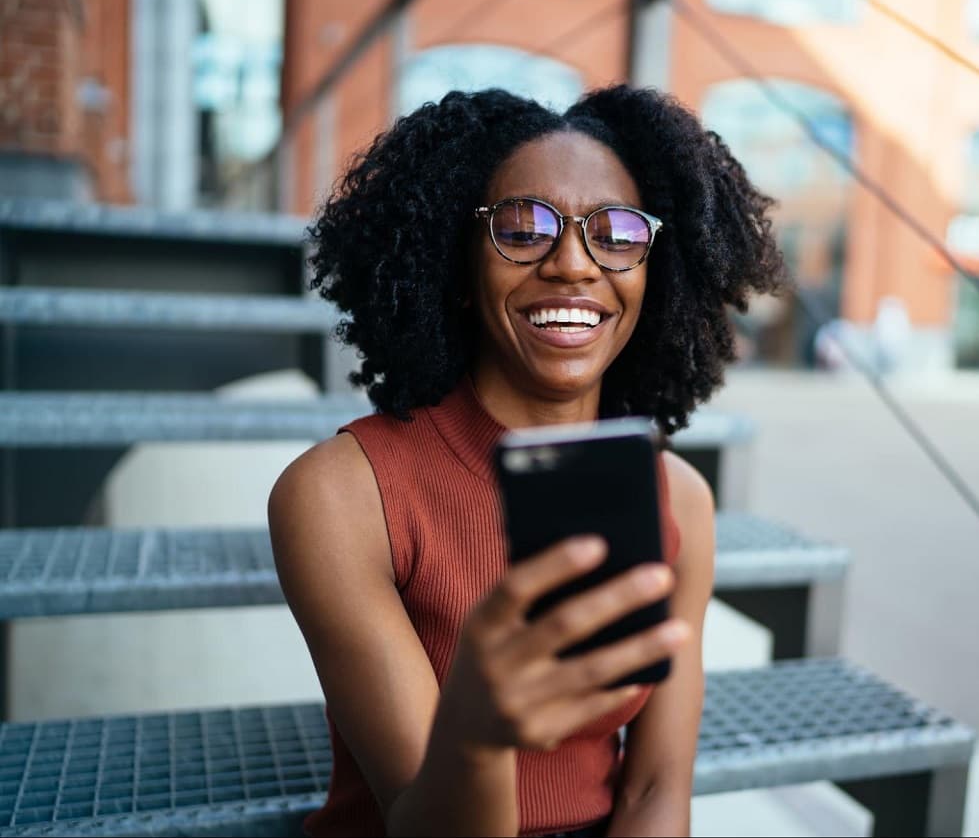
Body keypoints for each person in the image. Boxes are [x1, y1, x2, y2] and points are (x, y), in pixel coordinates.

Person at [267, 85, 787, 838]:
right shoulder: (340, 497)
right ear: (460, 262)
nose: (574, 264)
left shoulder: (678, 500)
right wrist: (477, 731)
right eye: (523, 227)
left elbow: (654, 794)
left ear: (655, 271)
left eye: (616, 233)